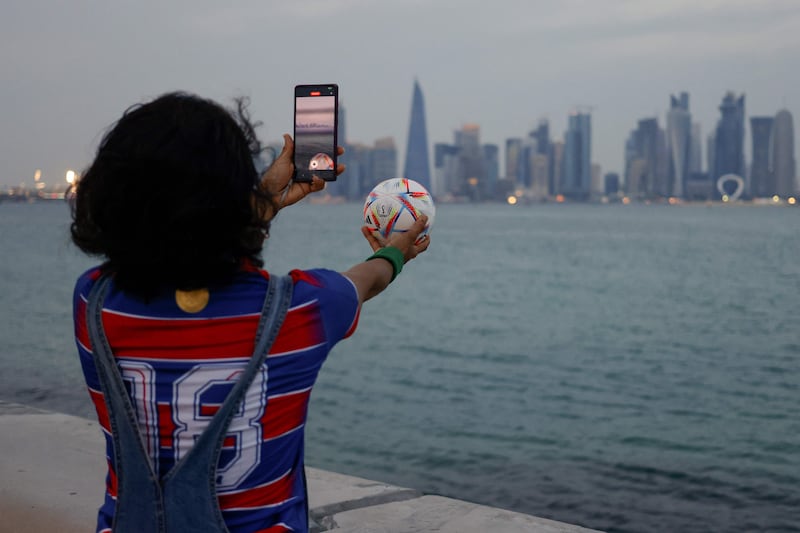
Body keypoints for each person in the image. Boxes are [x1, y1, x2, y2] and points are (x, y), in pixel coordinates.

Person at [70, 92, 430, 532]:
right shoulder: (299, 310)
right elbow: (368, 277)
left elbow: (169, 236)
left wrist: (261, 199)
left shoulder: (93, 304)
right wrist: (396, 253)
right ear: (233, 196)